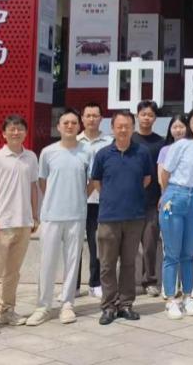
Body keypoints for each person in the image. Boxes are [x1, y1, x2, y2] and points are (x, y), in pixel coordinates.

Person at [27, 109, 90, 326]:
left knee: (72, 261)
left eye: (74, 123)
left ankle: (67, 304)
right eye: (66, 123)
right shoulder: (48, 152)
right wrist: (54, 199)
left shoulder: (87, 152)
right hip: (52, 215)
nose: (70, 126)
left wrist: (79, 197)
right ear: (59, 127)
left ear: (79, 126)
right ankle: (43, 306)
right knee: (47, 261)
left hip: (77, 214)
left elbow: (92, 182)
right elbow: (42, 181)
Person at [90, 110, 153, 325]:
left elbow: (146, 179)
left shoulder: (142, 153)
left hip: (134, 217)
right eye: (119, 126)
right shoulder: (103, 154)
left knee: (128, 263)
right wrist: (113, 198)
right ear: (112, 129)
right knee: (107, 264)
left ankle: (126, 304)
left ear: (133, 128)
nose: (123, 130)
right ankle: (109, 306)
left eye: (127, 126)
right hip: (109, 217)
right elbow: (97, 182)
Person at [0, 115, 39, 335]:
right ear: (4, 134)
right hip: (2, 224)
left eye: (20, 129)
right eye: (12, 129)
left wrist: (35, 216)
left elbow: (33, 188)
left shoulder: (31, 157)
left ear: (25, 132)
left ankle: (7, 311)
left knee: (13, 273)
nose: (16, 132)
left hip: (23, 223)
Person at [160, 108, 193, 319]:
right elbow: (165, 173)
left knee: (189, 252)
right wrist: (167, 196)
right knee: (172, 252)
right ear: (190, 125)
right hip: (176, 196)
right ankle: (170, 299)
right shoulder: (181, 145)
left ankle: (188, 297)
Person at [78, 102, 114, 300]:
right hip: (76, 201)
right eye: (88, 115)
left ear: (101, 118)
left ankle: (95, 283)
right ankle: (73, 286)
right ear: (82, 118)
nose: (91, 119)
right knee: (74, 244)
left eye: (95, 115)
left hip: (100, 201)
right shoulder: (74, 141)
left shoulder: (109, 142)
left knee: (97, 244)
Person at [133, 100, 166, 298]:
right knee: (127, 245)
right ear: (137, 115)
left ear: (155, 118)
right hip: (130, 202)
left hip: (152, 201)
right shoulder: (129, 139)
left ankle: (150, 281)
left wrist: (163, 196)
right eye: (143, 114)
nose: (146, 118)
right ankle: (127, 281)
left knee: (150, 244)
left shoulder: (161, 143)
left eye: (150, 115)